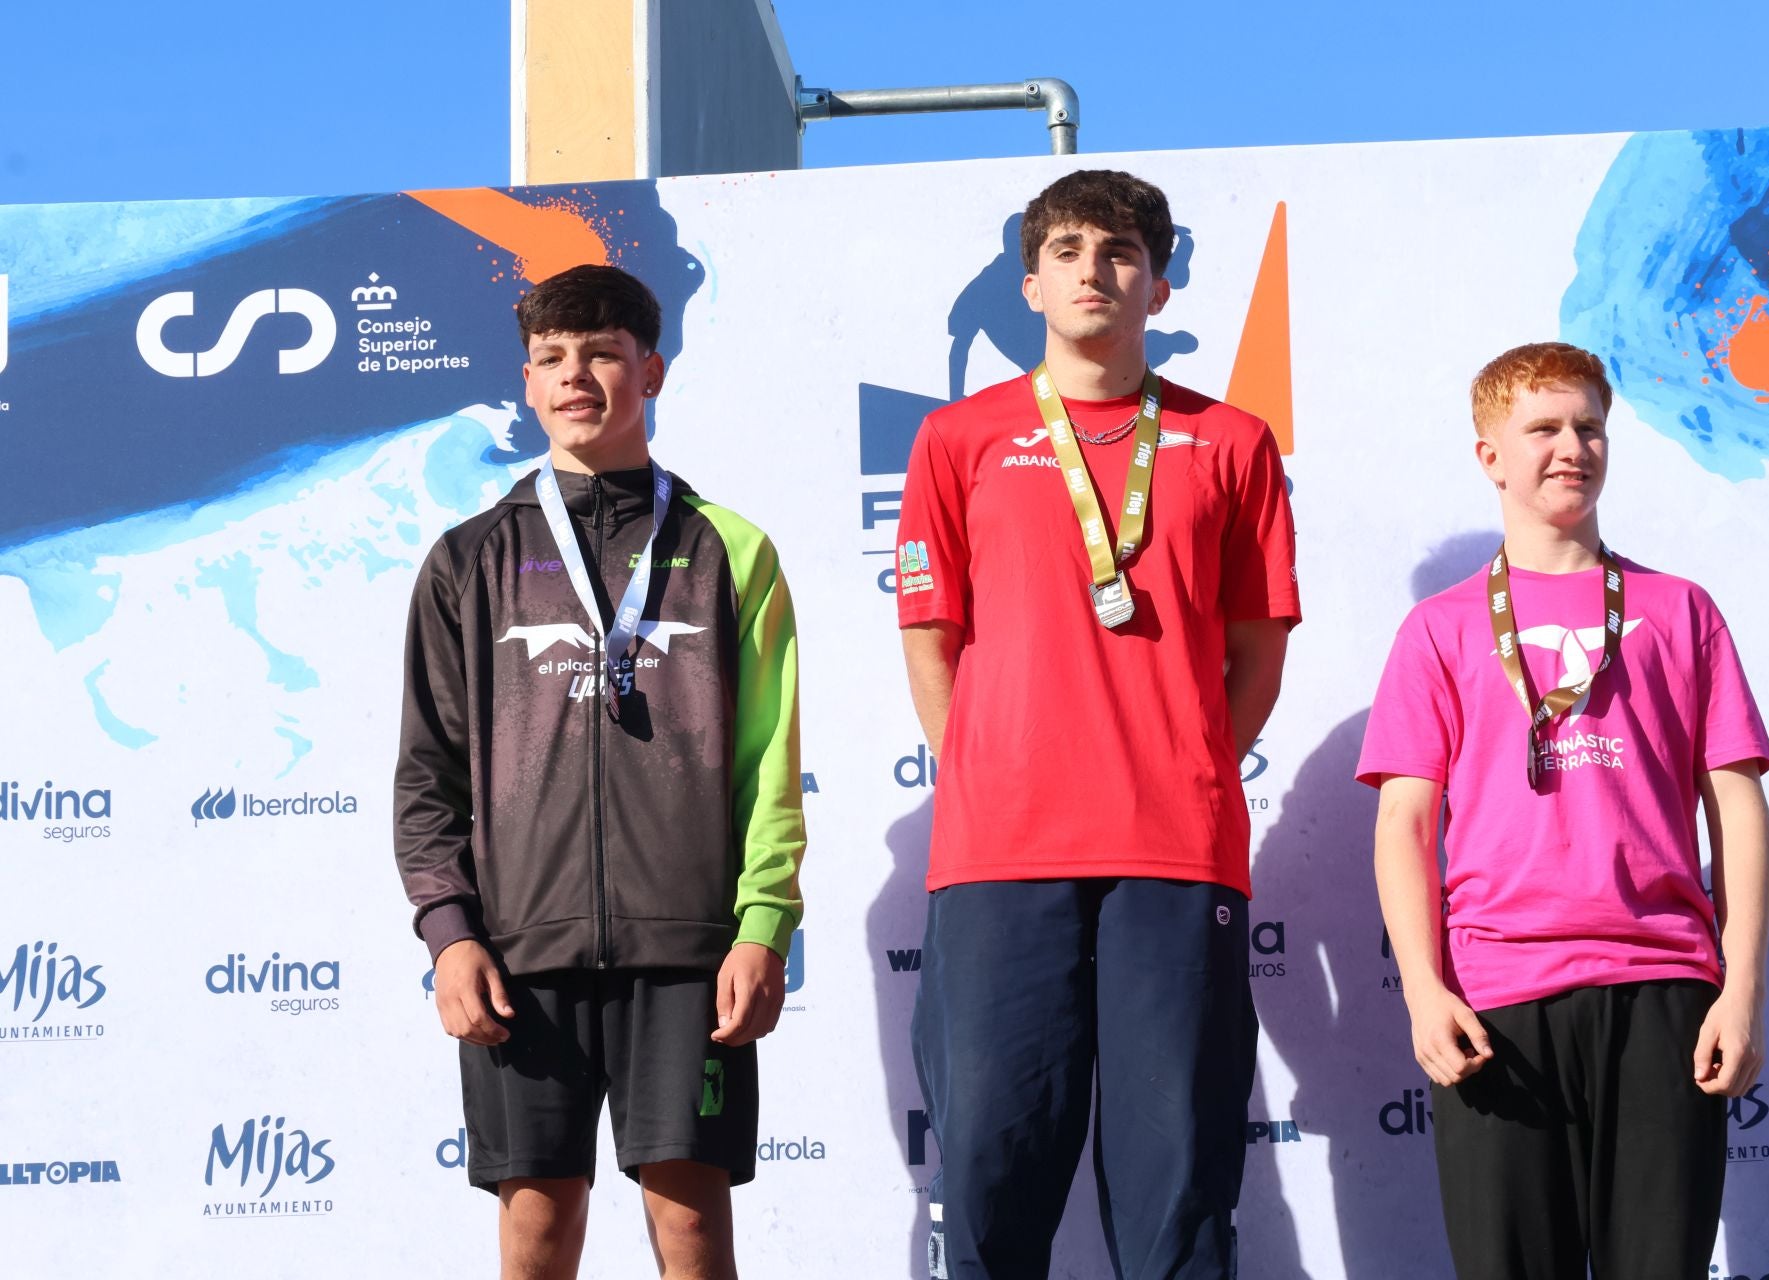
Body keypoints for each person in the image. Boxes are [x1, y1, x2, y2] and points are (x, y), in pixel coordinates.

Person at [896, 169, 1300, 1278]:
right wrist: (987, 766)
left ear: (1158, 286)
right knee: (988, 1176)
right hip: (1000, 855)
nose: (1093, 270)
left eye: (1120, 251)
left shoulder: (1235, 442)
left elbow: (1258, 649)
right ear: (1030, 282)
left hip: (1175, 852)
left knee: (1177, 1189)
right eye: (1067, 249)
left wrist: (1184, 757)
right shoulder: (958, 439)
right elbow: (932, 635)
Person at [393, 263, 805, 1280]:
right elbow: (426, 772)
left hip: (686, 946)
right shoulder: (469, 557)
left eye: (603, 353)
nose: (577, 375)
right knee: (537, 1221)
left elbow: (771, 762)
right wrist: (450, 935)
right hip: (519, 946)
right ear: (527, 382)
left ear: (650, 369)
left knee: (692, 1221)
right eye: (551, 358)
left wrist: (761, 926)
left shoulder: (729, 547)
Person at [1358, 341, 1769, 1279]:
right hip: (1496, 1004)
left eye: (1589, 426)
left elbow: (1737, 810)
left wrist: (1741, 990)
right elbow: (1404, 826)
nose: (1571, 447)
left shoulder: (1681, 610)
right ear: (1490, 457)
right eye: (1542, 427)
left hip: (1665, 991)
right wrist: (1424, 991)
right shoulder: (1440, 628)